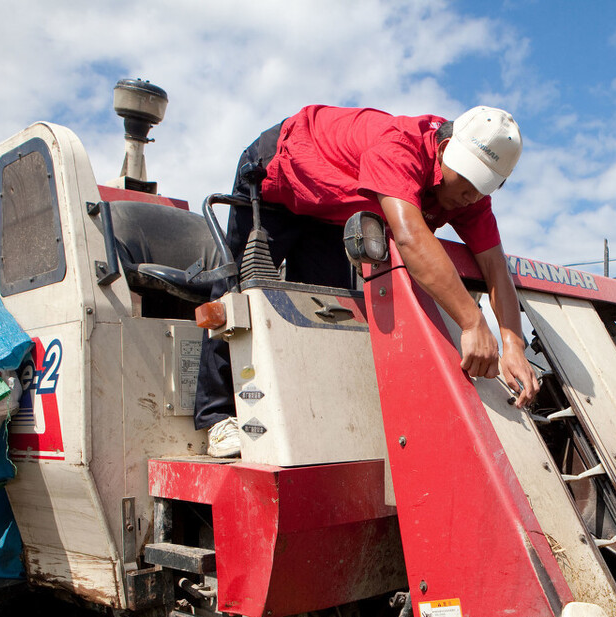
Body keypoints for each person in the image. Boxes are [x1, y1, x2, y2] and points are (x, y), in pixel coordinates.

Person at [194, 105, 541, 457]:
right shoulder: (399, 147)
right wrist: (472, 322)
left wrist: (513, 344)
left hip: (330, 211)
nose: (471, 195)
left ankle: (304, 417)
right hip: (281, 175)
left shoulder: (471, 198)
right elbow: (410, 239)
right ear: (444, 147)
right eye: (466, 179)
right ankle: (216, 416)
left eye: (483, 186)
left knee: (323, 315)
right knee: (237, 294)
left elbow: (495, 267)